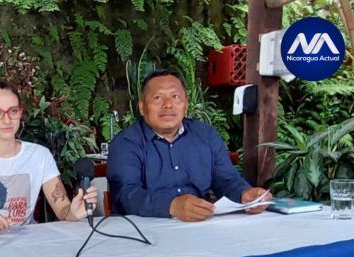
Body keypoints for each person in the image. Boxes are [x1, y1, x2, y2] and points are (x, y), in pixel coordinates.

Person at [107, 70, 272, 222]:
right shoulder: (126, 144)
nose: (168, 105)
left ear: (186, 103)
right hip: (147, 230)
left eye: (175, 97)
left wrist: (244, 194)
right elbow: (126, 195)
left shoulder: (205, 135)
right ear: (142, 107)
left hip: (202, 225)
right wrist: (171, 206)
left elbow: (226, 180)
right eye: (158, 98)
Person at [0, 80, 97, 233]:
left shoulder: (39, 155)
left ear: (20, 113)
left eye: (13, 111)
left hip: (27, 242)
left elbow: (63, 210)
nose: (7, 120)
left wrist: (74, 212)